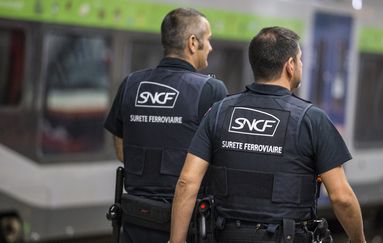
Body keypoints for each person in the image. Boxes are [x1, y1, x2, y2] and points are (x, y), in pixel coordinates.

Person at [170, 26, 366, 243]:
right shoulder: (312, 119)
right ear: (290, 66)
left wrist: (176, 241)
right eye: (300, 59)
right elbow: (341, 198)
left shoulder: (219, 112)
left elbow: (186, 182)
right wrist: (358, 240)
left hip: (227, 234)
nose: (301, 64)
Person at [104, 8, 228, 243]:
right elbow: (222, 160)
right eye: (208, 40)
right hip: (185, 224)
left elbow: (122, 149)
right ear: (193, 42)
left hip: (135, 220)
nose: (210, 47)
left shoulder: (131, 83)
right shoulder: (211, 89)